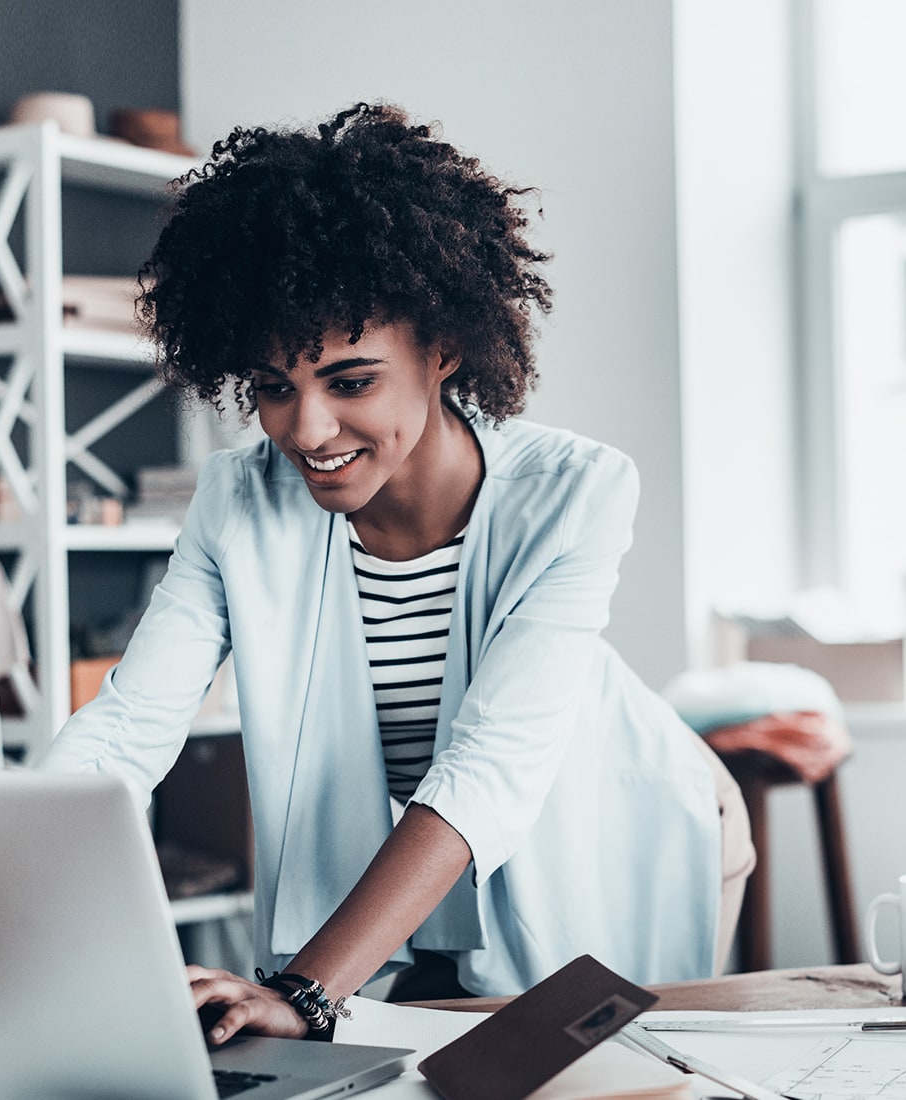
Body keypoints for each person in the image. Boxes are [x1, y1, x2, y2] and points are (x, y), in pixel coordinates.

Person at [39, 102, 753, 1044]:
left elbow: (488, 769)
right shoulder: (238, 502)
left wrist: (306, 990)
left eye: (351, 380)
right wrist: (8, 882)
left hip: (624, 819)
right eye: (272, 387)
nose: (307, 431)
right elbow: (131, 727)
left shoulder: (576, 494)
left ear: (443, 347)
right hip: (428, 850)